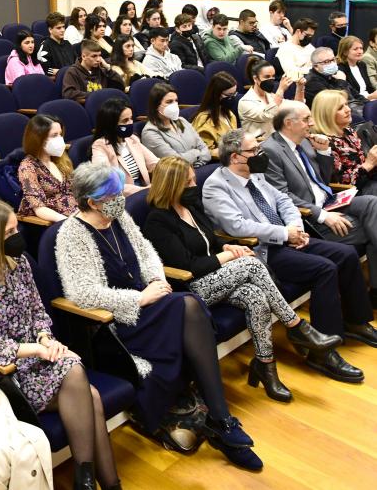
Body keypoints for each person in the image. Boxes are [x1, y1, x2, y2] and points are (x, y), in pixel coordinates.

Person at [56, 162, 262, 470]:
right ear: (92, 202)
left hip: (149, 304)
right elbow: (82, 294)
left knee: (190, 305)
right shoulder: (71, 234)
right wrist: (139, 298)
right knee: (189, 306)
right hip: (117, 321)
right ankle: (222, 421)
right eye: (112, 196)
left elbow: (147, 252)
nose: (120, 200)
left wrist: (155, 279)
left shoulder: (119, 217)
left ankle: (221, 419)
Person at [0, 197, 121, 490]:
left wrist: (44, 338)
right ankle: (99, 483)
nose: (17, 236)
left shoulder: (19, 264)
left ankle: (88, 482)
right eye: (9, 232)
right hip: (5, 373)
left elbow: (38, 313)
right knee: (86, 391)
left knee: (80, 378)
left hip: (38, 357)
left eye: (16, 228)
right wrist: (35, 349)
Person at [144, 156, 342, 401]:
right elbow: (189, 266)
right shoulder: (158, 220)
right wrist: (228, 256)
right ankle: (295, 326)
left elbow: (212, 239)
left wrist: (228, 246)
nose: (194, 186)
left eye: (194, 180)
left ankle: (265, 366)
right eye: (188, 182)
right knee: (250, 264)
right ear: (172, 185)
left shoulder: (191, 206)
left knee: (255, 296)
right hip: (192, 288)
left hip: (217, 276)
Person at [202, 129, 373, 381]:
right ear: (236, 156)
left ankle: (356, 321)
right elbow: (237, 227)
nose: (260, 154)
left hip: (288, 237)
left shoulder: (255, 173)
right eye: (254, 150)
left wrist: (296, 229)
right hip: (261, 251)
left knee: (346, 254)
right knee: (324, 269)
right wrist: (284, 234)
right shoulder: (215, 186)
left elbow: (283, 201)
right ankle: (322, 352)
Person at [260, 105, 377, 306]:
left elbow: (323, 179)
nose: (312, 123)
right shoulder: (270, 150)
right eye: (306, 119)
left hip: (329, 202)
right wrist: (322, 215)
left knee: (372, 203)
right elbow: (281, 196)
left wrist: (323, 152)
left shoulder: (305, 142)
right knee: (372, 227)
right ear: (289, 123)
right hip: (309, 217)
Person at [312, 90, 377, 195]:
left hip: (369, 180)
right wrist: (368, 165)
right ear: (327, 114)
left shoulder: (348, 130)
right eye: (340, 108)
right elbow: (341, 184)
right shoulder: (324, 143)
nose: (348, 109)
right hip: (355, 192)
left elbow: (363, 160)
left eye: (346, 104)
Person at [91, 98, 159, 195]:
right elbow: (106, 182)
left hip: (145, 189)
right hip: (124, 196)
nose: (130, 123)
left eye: (131, 118)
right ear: (111, 124)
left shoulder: (132, 139)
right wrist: (143, 190)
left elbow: (155, 163)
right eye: (125, 120)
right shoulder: (100, 145)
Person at [17, 115, 77, 222]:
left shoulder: (60, 159)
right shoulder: (28, 167)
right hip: (55, 223)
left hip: (76, 213)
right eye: (54, 135)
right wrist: (71, 222)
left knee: (105, 213)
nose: (60, 139)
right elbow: (39, 208)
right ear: (38, 138)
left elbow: (76, 191)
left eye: (60, 134)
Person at [141, 83, 211, 167]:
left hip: (197, 168)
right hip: (176, 174)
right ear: (156, 105)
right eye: (169, 102)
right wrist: (196, 153)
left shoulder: (182, 121)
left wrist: (197, 163)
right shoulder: (150, 132)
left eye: (176, 101)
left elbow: (205, 150)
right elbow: (175, 162)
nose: (174, 105)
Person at [238, 56, 305, 138]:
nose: (271, 79)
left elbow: (297, 108)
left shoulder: (272, 96)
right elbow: (267, 115)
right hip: (259, 143)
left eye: (273, 76)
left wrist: (300, 88)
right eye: (267, 77)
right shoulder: (245, 102)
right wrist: (281, 90)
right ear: (255, 78)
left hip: (278, 140)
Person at [304, 46, 367, 118]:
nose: (332, 64)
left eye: (333, 60)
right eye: (326, 62)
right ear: (316, 66)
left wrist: (369, 104)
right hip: (331, 117)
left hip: (351, 111)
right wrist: (341, 81)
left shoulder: (333, 75)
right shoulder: (311, 82)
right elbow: (336, 103)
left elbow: (356, 95)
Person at [62, 40, 124, 104]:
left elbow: (121, 86)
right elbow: (69, 94)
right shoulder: (72, 72)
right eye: (94, 56)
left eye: (99, 55)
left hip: (104, 105)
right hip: (86, 106)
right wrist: (96, 96)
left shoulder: (102, 70)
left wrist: (108, 68)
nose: (98, 59)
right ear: (84, 56)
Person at [191, 72, 239, 152]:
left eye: (234, 94)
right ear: (216, 94)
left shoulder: (229, 114)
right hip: (219, 157)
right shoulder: (204, 120)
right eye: (228, 95)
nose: (232, 98)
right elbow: (205, 151)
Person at [337, 35, 377, 101]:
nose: (360, 52)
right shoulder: (341, 69)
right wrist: (369, 97)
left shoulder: (362, 65)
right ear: (345, 52)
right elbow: (349, 94)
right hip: (357, 102)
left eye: (361, 48)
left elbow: (369, 88)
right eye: (355, 49)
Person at [37, 12, 77, 78]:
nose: (63, 30)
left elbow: (76, 64)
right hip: (57, 80)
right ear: (50, 30)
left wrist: (61, 71)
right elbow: (45, 69)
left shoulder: (67, 43)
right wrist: (63, 72)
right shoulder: (45, 46)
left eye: (63, 27)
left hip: (72, 77)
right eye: (59, 28)